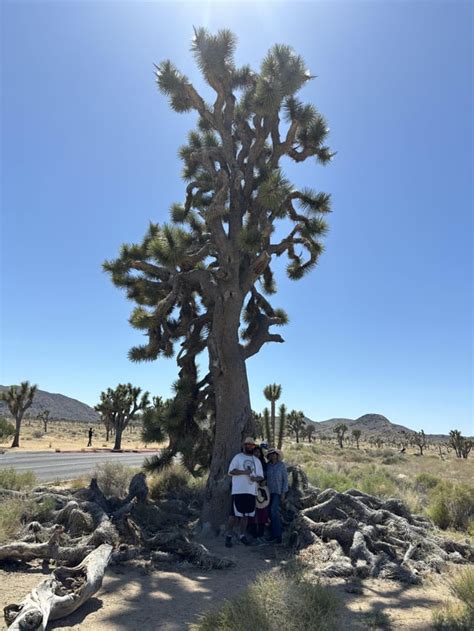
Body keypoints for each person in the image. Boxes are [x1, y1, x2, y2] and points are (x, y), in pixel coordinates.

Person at [225, 437, 264, 548]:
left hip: (251, 491)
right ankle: (228, 535)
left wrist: (254, 479)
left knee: (246, 516)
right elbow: (231, 471)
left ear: (254, 446)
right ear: (244, 445)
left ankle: (242, 535)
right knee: (233, 515)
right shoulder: (238, 457)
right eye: (248, 444)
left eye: (252, 445)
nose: (250, 446)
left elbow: (261, 476)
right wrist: (244, 472)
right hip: (238, 490)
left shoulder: (257, 461)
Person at [265, 447, 288, 544]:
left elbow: (285, 480)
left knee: (274, 511)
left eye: (274, 454)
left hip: (277, 492)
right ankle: (272, 534)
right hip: (267, 492)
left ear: (277, 455)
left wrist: (283, 493)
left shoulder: (281, 465)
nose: (273, 455)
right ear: (269, 456)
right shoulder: (267, 466)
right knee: (269, 513)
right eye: (271, 454)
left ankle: (278, 535)